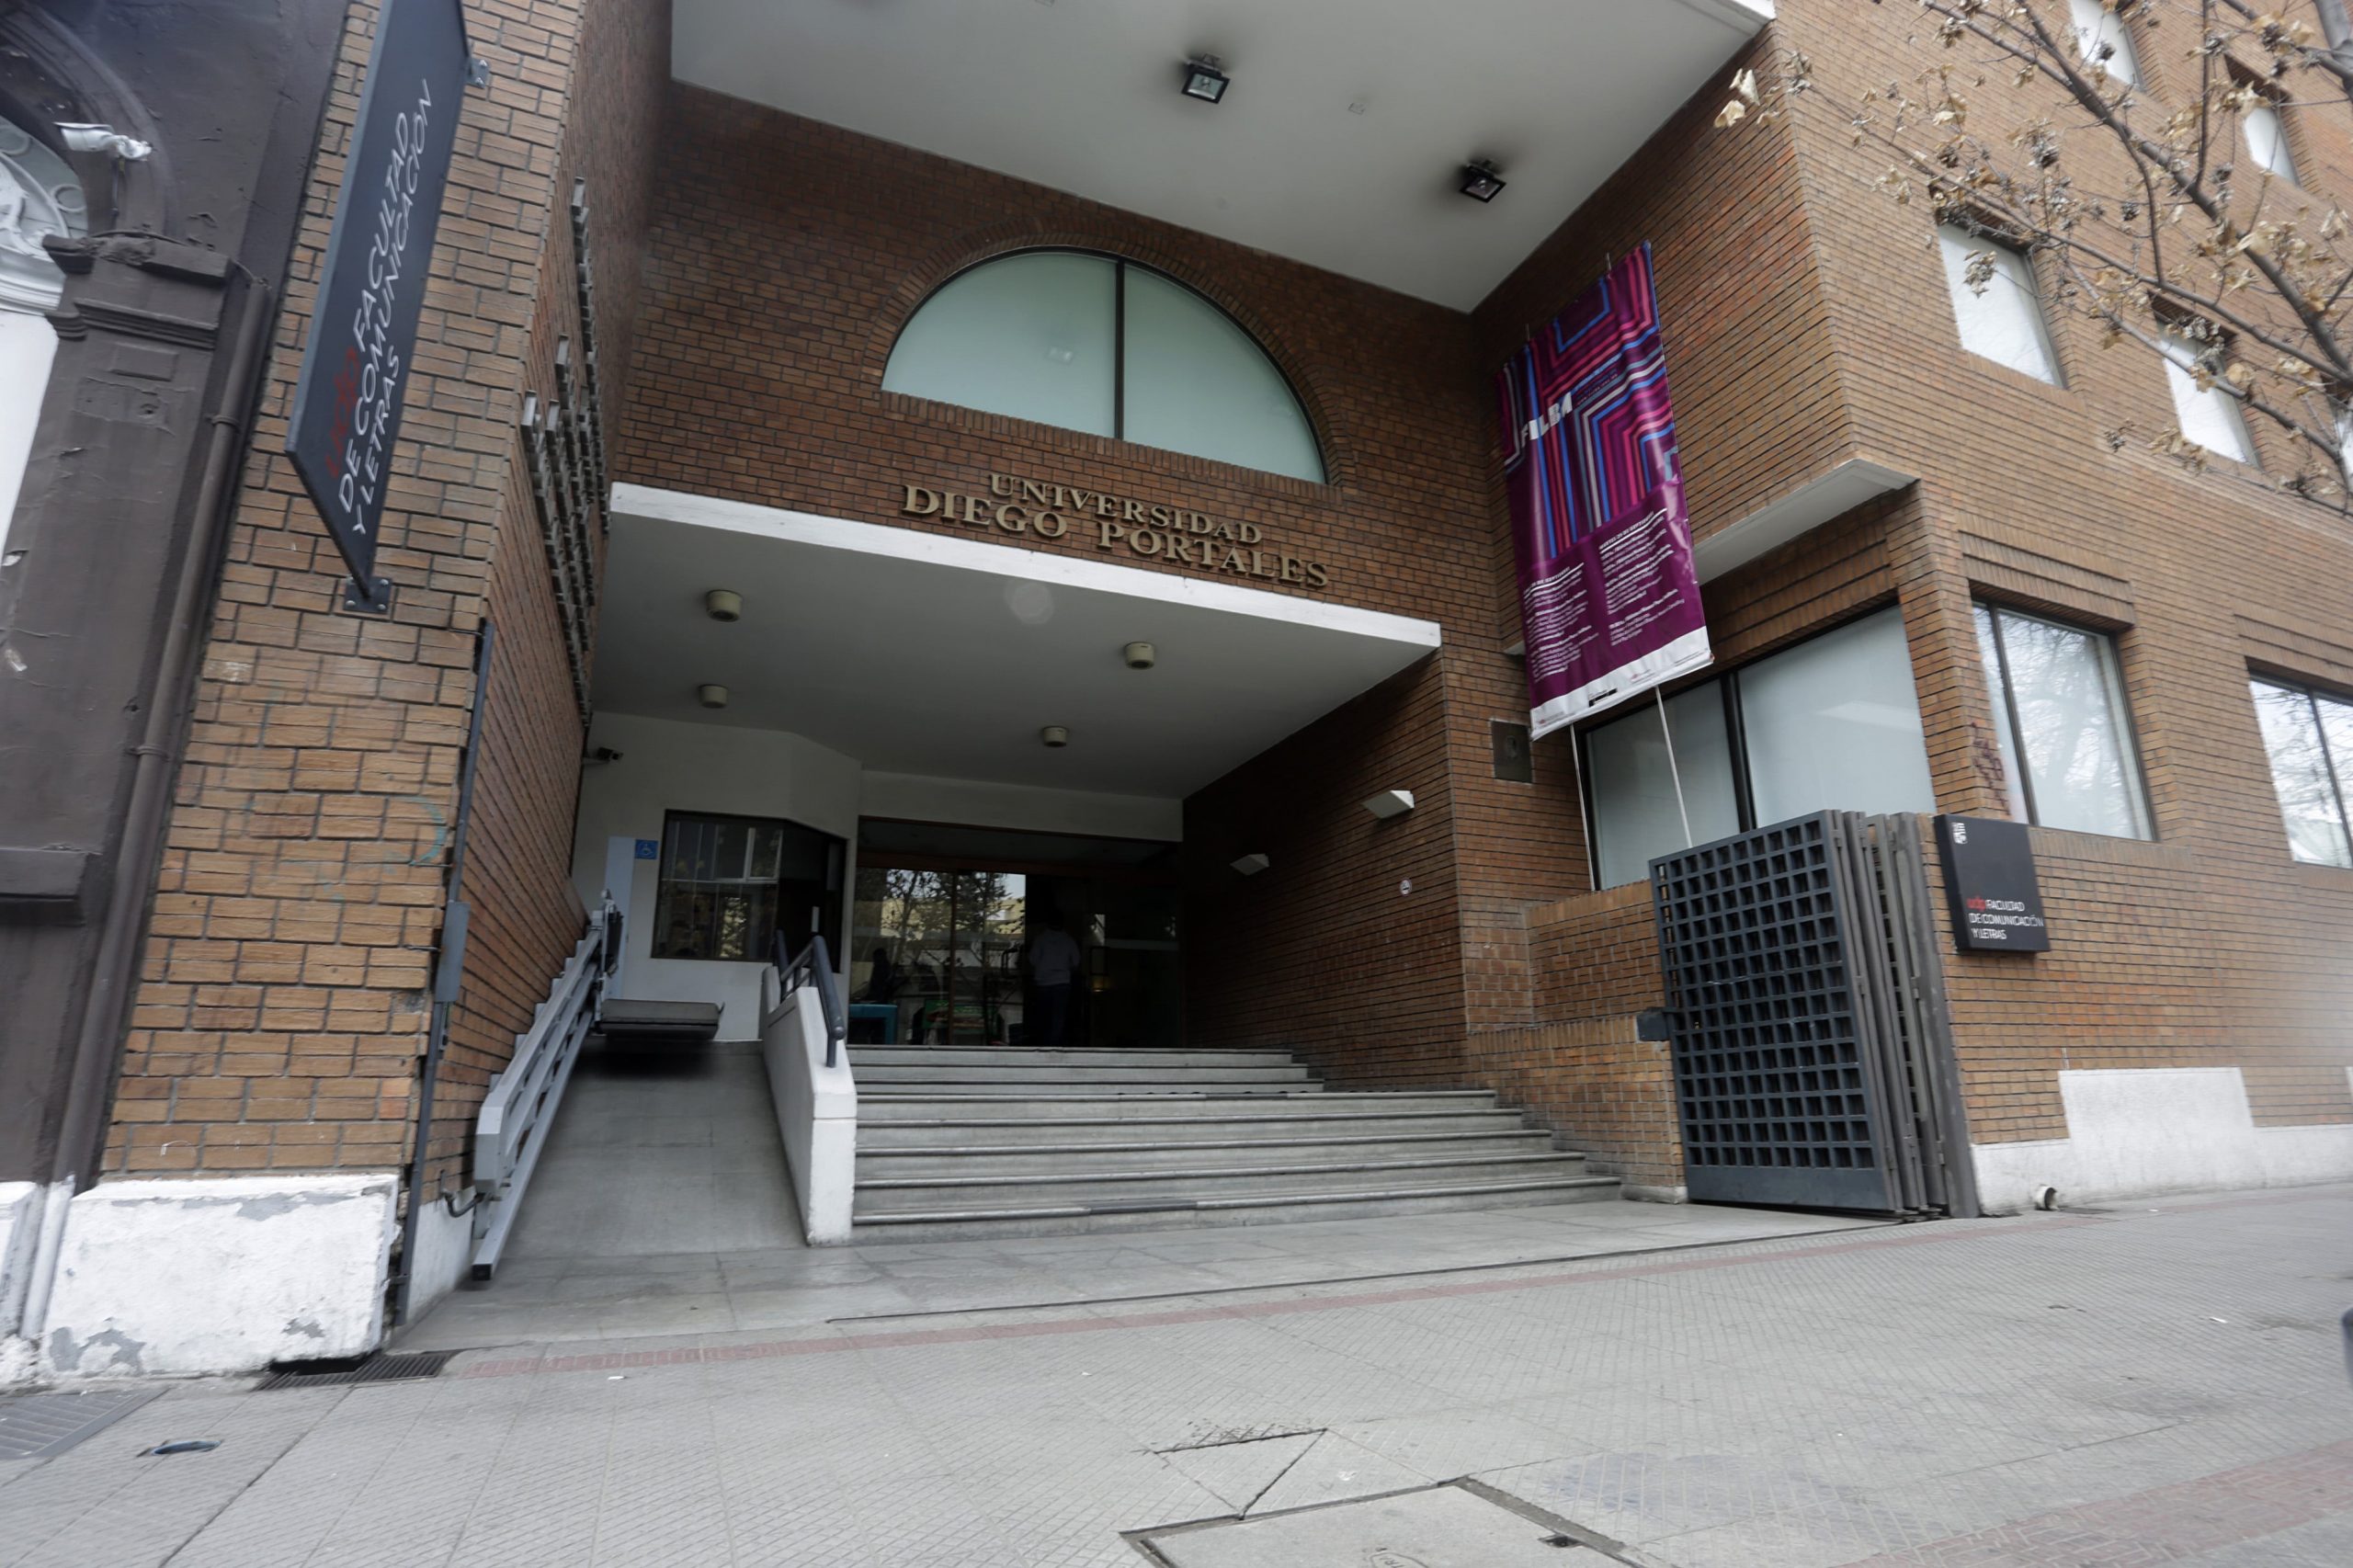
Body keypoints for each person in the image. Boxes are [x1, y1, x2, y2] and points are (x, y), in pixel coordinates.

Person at [1023, 909, 1083, 1049]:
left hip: (1043, 982)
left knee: (1043, 1014)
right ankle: (1054, 1043)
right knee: (1058, 1015)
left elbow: (1032, 960)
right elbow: (1076, 962)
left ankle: (1043, 1043)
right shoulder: (1068, 940)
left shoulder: (1041, 939)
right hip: (1062, 981)